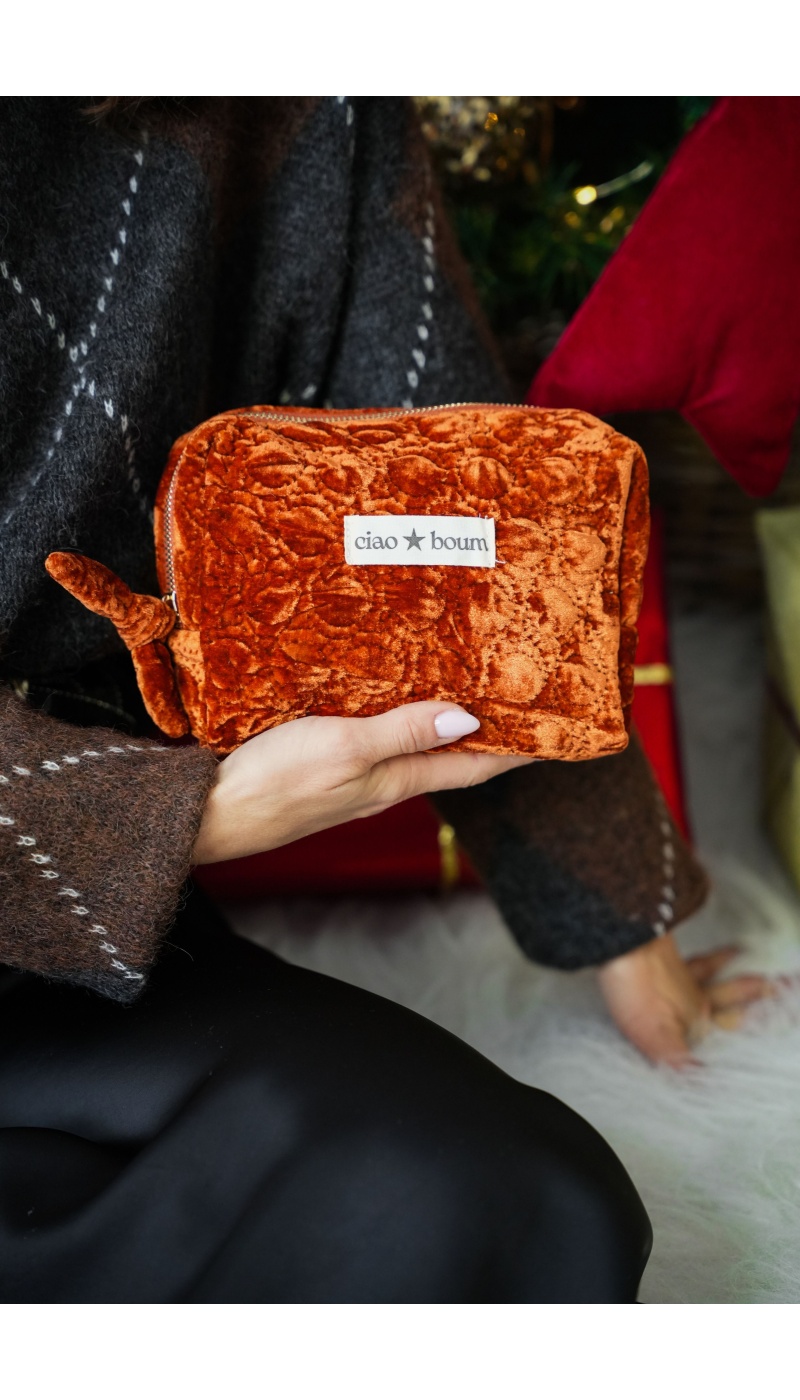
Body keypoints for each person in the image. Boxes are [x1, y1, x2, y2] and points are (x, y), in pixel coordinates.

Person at [0, 94, 726, 1301]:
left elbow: (469, 537)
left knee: (520, 1209)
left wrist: (628, 937)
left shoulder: (288, 92)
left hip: (67, 969)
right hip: (89, 861)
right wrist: (171, 816)